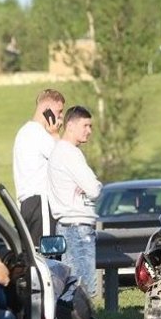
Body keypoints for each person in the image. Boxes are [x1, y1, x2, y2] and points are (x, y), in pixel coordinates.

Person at [48, 106, 102, 298]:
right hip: (76, 227)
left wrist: (90, 185)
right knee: (81, 288)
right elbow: (94, 189)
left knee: (76, 286)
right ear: (70, 125)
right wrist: (93, 185)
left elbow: (91, 187)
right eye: (85, 125)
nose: (89, 130)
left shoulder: (63, 152)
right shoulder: (69, 153)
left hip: (71, 226)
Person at [13, 89, 66, 246]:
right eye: (59, 111)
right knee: (48, 256)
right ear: (46, 109)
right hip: (41, 202)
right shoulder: (39, 134)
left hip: (27, 204)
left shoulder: (24, 132)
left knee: (34, 255)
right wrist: (56, 134)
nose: (61, 117)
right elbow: (63, 160)